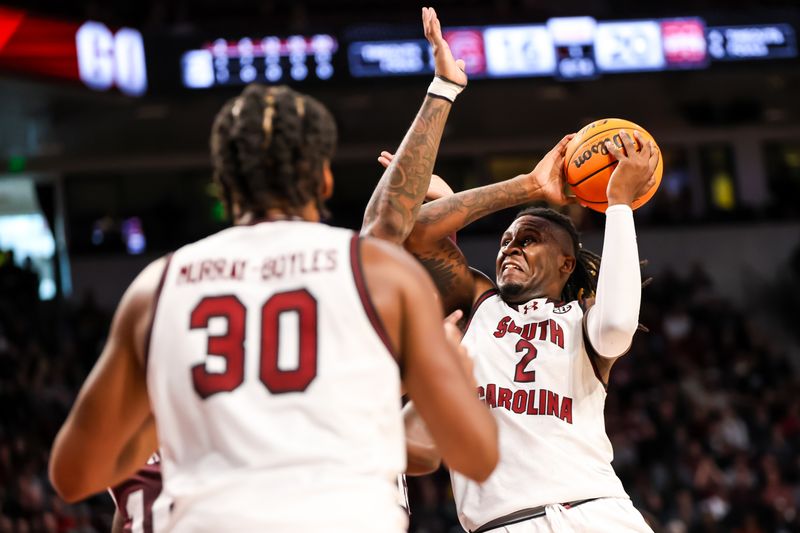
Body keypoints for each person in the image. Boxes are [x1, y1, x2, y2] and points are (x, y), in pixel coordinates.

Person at [48, 8, 498, 531]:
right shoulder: (376, 274)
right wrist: (454, 375)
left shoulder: (158, 287)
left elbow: (73, 476)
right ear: (325, 181)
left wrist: (171, 418)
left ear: (223, 186)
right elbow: (477, 457)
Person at [366, 61, 660, 529]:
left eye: (528, 240)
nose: (510, 248)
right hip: (504, 522)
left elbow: (619, 324)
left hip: (595, 511)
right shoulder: (478, 306)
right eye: (505, 241)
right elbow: (412, 232)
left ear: (566, 263)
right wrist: (459, 208)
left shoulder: (580, 319)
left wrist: (619, 205)